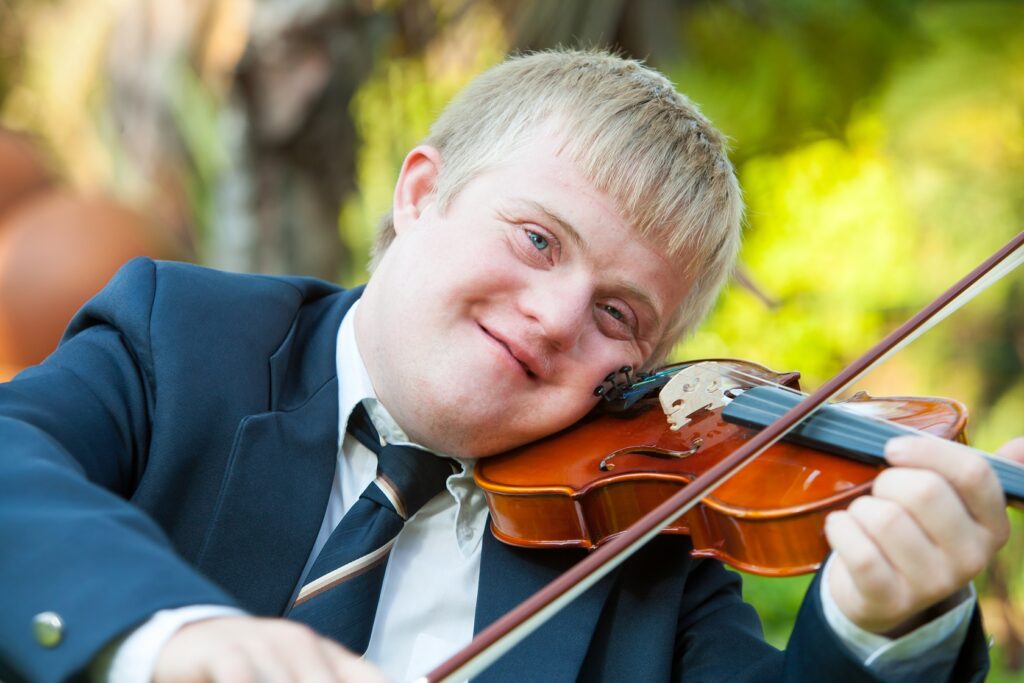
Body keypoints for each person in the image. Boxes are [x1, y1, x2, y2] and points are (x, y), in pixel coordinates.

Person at [0, 49, 1018, 683]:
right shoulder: (183, 340)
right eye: (537, 239)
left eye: (618, 312)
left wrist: (880, 624)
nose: (554, 316)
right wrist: (171, 636)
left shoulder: (642, 552)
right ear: (419, 194)